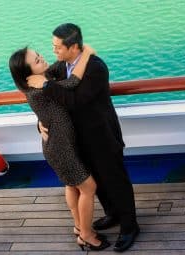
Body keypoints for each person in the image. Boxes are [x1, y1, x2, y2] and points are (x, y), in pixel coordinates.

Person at [27, 23, 140, 252]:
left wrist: (47, 85)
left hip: (102, 137)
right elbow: (46, 101)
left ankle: (130, 226)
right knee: (97, 183)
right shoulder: (61, 67)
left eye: (58, 47)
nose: (54, 51)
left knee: (116, 182)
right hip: (77, 140)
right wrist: (40, 122)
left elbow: (75, 100)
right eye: (53, 46)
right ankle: (113, 214)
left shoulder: (96, 68)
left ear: (74, 47)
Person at [9, 45, 110, 251]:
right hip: (60, 150)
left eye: (39, 55)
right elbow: (73, 82)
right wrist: (88, 53)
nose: (42, 58)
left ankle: (78, 226)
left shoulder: (45, 77)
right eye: (37, 60)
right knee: (89, 188)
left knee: (72, 185)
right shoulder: (38, 90)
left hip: (60, 146)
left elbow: (61, 64)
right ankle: (86, 235)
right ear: (28, 75)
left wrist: (78, 52)